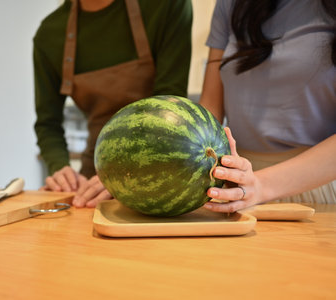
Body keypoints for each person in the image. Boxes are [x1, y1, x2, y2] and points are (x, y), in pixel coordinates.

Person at [33, 0, 193, 207]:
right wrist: (61, 170)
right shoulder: (50, 35)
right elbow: (48, 124)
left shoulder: (167, 6)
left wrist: (122, 175)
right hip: (95, 177)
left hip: (163, 171)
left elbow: (170, 106)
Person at [199, 0, 336, 213]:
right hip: (236, 186)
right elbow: (209, 108)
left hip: (316, 190)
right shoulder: (230, 4)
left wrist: (259, 185)